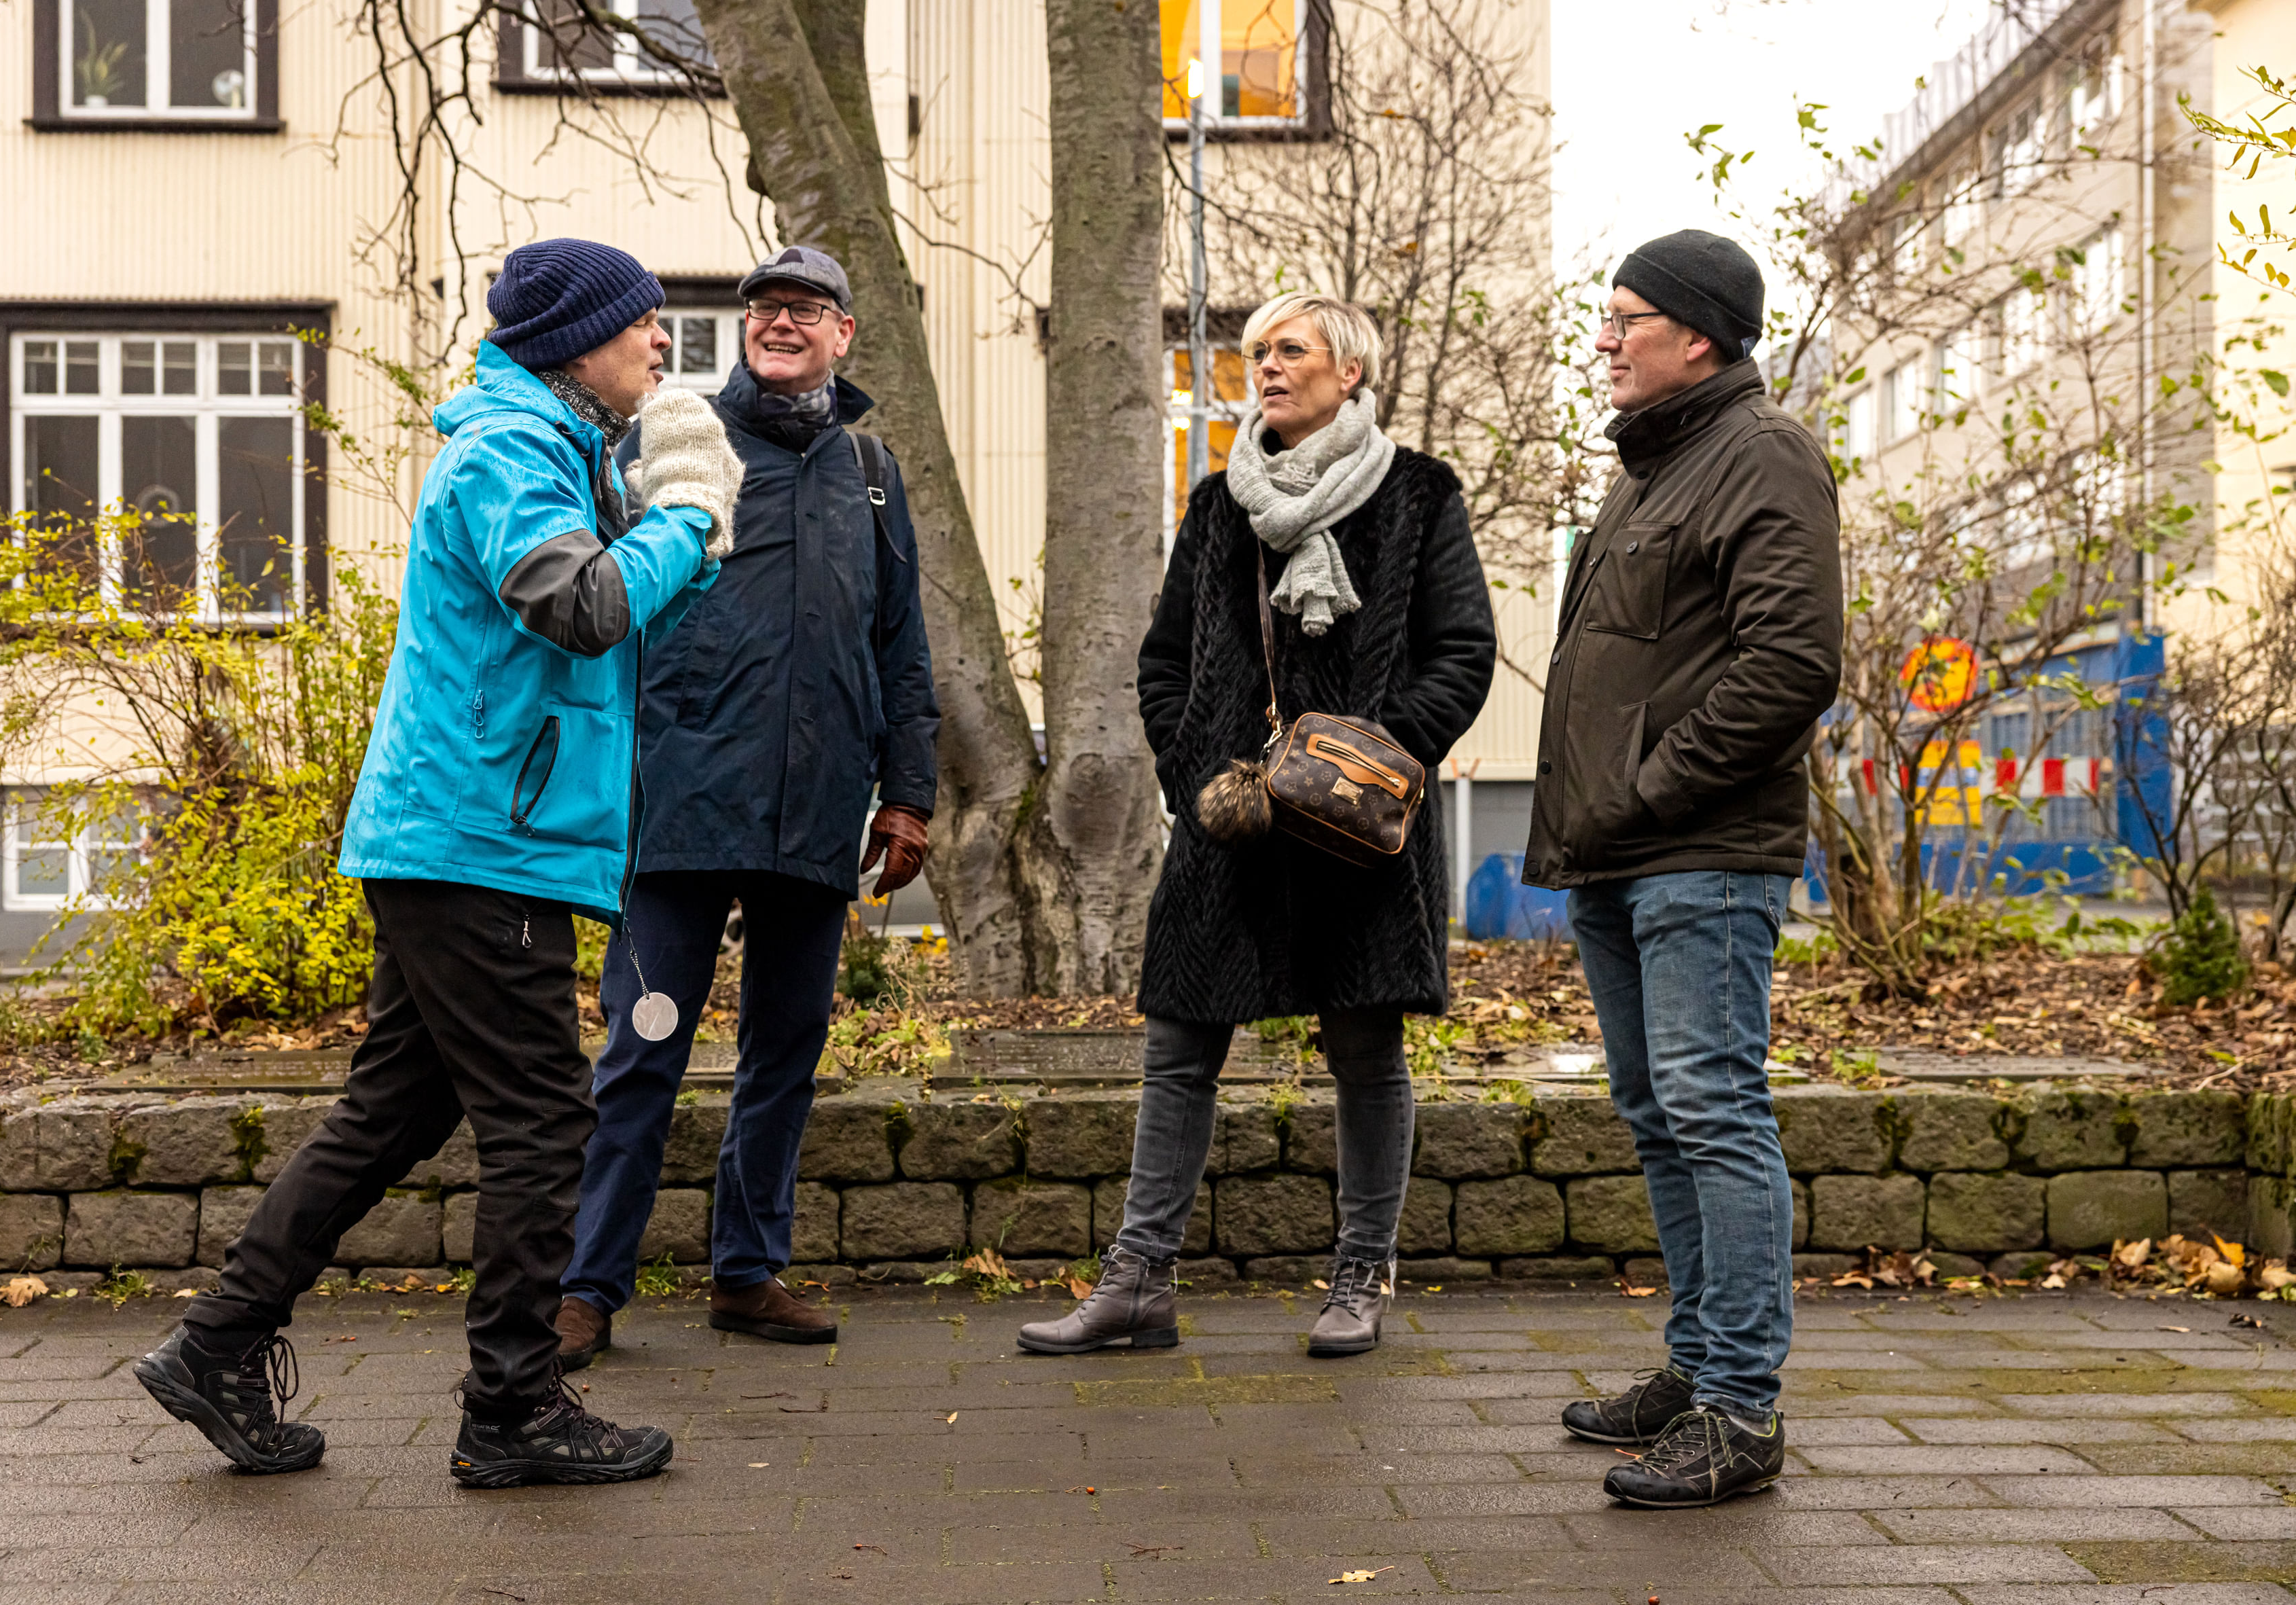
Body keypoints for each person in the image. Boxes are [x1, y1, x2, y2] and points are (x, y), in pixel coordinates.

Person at [135, 238, 736, 1487]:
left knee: (396, 1109)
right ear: (579, 342)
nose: (662, 345)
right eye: (644, 326)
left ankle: (218, 1342)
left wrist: (675, 528)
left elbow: (600, 630)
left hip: (463, 835)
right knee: (542, 1121)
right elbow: (581, 609)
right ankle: (513, 1409)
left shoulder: (550, 448)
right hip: (482, 845)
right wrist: (685, 514)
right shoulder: (509, 454)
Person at [1018, 292, 1496, 1360]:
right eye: (1255, 354)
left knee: (1366, 1052)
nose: (1266, 368)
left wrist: (1368, 760)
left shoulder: (1419, 497)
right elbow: (1164, 664)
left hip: (1359, 833)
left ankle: (1360, 1277)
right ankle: (1138, 1285)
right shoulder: (1217, 508)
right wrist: (1196, 773)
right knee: (1179, 1049)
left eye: (1289, 350)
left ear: (1351, 372)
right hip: (1228, 828)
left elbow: (1462, 651)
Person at [554, 244, 938, 1361]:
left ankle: (747, 1273)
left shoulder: (873, 472)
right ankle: (586, 1289)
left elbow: (902, 645)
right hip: (676, 812)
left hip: (816, 815)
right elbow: (603, 609)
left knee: (785, 1048)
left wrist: (907, 796)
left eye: (807, 309)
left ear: (843, 334)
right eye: (766, 307)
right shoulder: (677, 445)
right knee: (646, 1047)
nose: (782, 322)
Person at [1525, 230, 1841, 1508]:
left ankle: (1742, 1412)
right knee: (1663, 1117)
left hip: (1700, 854)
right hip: (1622, 854)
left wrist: (1650, 790)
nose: (1603, 340)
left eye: (1624, 320)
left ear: (1696, 336)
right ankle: (1698, 1365)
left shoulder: (1761, 455)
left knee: (1715, 1112)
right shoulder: (1652, 467)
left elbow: (1791, 663)